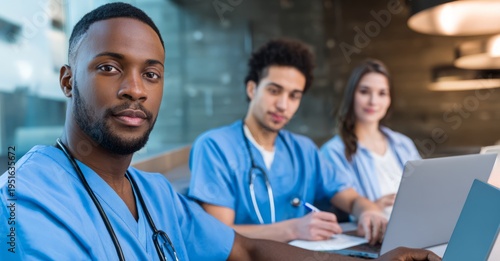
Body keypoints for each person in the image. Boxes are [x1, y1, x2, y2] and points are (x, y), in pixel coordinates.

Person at [0, 3, 440, 261]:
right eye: (109, 67)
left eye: (151, 74)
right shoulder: (21, 197)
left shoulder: (156, 194)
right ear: (66, 80)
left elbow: (247, 250)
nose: (134, 88)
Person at [188, 39, 391, 245]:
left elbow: (353, 199)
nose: (283, 105)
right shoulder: (215, 147)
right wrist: (294, 229)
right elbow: (217, 233)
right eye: (274, 91)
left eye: (294, 96)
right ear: (252, 89)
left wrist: (368, 212)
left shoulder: (304, 150)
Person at [320, 59, 421, 217]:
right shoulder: (333, 151)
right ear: (352, 95)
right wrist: (371, 208)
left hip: (415, 223)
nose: (373, 101)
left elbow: (425, 189)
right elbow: (343, 205)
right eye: (364, 92)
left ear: (389, 100)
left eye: (382, 93)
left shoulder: (403, 144)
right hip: (370, 236)